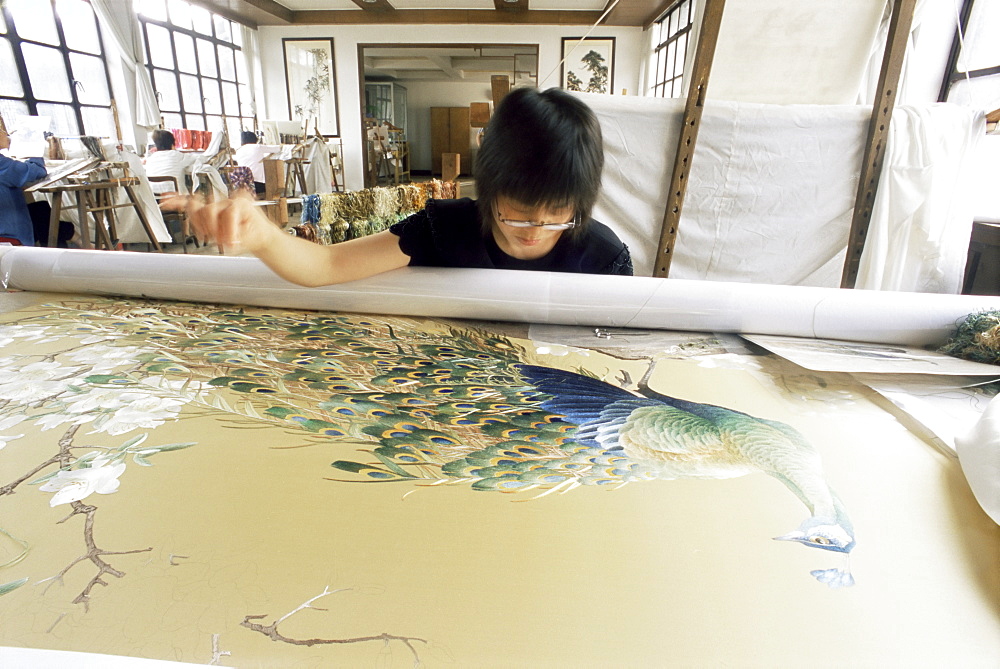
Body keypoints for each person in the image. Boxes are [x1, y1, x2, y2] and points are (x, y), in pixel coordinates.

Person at [175, 87, 633, 286]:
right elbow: (327, 264)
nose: (534, 230)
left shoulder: (603, 258)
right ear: (488, 189)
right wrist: (262, 236)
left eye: (557, 214)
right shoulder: (446, 230)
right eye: (516, 212)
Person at [0, 130, 47, 246]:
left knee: (42, 210)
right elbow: (37, 172)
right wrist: (33, 146)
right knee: (43, 215)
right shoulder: (2, 164)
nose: (4, 132)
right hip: (7, 238)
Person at [144, 129, 199, 195]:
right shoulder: (178, 156)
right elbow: (197, 158)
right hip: (177, 197)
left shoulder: (150, 159)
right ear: (172, 143)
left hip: (155, 196)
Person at [233, 131, 280, 197]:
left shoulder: (238, 150)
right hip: (257, 185)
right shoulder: (257, 147)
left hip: (243, 185)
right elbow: (277, 149)